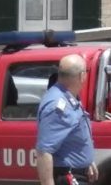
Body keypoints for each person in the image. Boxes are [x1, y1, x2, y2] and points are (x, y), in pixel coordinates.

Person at [36, 54, 98, 185]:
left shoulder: (69, 97)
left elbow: (75, 133)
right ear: (82, 76)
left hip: (79, 173)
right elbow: (44, 151)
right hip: (68, 176)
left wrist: (87, 161)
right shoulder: (57, 106)